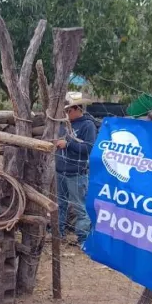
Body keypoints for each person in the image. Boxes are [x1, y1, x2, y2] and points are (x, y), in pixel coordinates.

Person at [55, 91, 97, 247]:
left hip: (76, 173)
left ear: (77, 109)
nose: (66, 113)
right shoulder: (64, 125)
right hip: (61, 170)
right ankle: (57, 233)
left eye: (68, 110)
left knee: (79, 207)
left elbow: (89, 148)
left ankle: (83, 239)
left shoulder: (88, 125)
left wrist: (68, 144)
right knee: (60, 204)